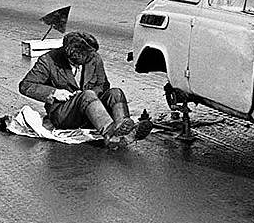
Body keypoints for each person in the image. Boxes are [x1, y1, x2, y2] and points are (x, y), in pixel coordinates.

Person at [18, 31, 153, 148]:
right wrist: (54, 93)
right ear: (68, 55)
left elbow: (103, 85)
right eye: (76, 63)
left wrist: (92, 96)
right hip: (64, 113)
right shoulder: (48, 60)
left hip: (93, 110)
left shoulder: (93, 57)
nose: (80, 66)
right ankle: (110, 134)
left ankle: (123, 128)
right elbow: (25, 85)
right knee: (87, 95)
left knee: (115, 93)